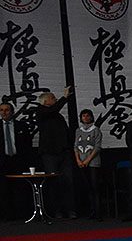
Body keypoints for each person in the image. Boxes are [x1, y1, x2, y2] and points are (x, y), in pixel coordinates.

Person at [36, 87, 76, 218]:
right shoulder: (40, 111)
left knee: (68, 181)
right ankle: (57, 210)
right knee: (53, 182)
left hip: (63, 152)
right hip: (49, 154)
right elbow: (52, 110)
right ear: (45, 101)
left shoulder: (57, 116)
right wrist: (65, 97)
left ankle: (70, 209)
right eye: (53, 98)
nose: (56, 99)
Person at [0, 101, 32, 220]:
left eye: (7, 110)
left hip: (18, 161)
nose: (4, 112)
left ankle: (22, 214)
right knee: (3, 189)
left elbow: (27, 144)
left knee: (20, 188)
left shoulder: (21, 125)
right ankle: (6, 215)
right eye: (1, 110)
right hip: (2, 162)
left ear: (12, 112)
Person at [74, 109, 103, 220]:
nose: (85, 118)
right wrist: (78, 160)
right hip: (81, 162)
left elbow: (97, 147)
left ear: (91, 117)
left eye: (87, 115)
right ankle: (92, 211)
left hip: (93, 162)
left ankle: (98, 212)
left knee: (95, 187)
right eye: (83, 116)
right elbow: (75, 146)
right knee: (88, 187)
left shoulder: (96, 130)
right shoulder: (78, 130)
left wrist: (87, 160)